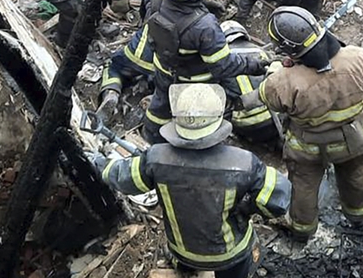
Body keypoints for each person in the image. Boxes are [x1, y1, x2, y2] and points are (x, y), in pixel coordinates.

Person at [96, 83, 291, 278]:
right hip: (229, 254)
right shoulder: (243, 163)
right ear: (218, 120)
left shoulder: (156, 158)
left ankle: (186, 269)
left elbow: (120, 178)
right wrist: (246, 209)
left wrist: (98, 162)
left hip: (182, 251)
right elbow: (278, 199)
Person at [260, 6, 363, 239]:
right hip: (356, 139)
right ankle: (359, 215)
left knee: (305, 185)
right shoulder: (358, 57)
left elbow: (268, 99)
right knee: (357, 175)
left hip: (308, 150)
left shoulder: (283, 81)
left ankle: (302, 229)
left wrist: (278, 69)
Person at [140, 0, 266, 142]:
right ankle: (197, 146)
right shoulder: (205, 26)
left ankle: (151, 138)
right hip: (196, 82)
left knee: (160, 104)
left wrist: (201, 2)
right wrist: (253, 65)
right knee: (199, 118)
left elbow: (148, 18)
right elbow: (223, 65)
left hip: (162, 67)